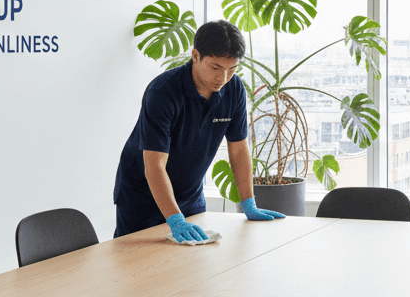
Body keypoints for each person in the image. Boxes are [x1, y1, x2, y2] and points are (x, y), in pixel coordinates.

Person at [113, 20, 285, 240]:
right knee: (136, 268)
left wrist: (249, 204)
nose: (223, 78)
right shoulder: (163, 92)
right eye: (216, 68)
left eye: (231, 69)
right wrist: (175, 219)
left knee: (194, 266)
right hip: (143, 198)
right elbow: (154, 165)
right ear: (195, 56)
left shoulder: (233, 89)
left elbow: (239, 150)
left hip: (190, 197)